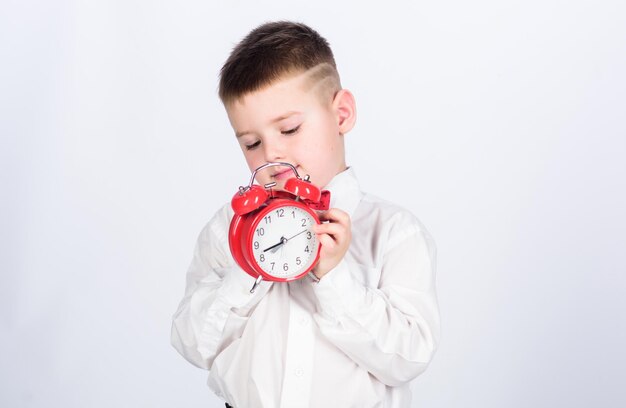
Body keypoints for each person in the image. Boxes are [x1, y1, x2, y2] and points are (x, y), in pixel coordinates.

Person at [171, 21, 440, 408]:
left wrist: (334, 278)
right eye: (252, 142)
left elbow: (409, 356)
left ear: (342, 114)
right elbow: (193, 343)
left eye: (291, 129)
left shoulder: (395, 233)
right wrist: (249, 266)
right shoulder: (225, 232)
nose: (271, 155)